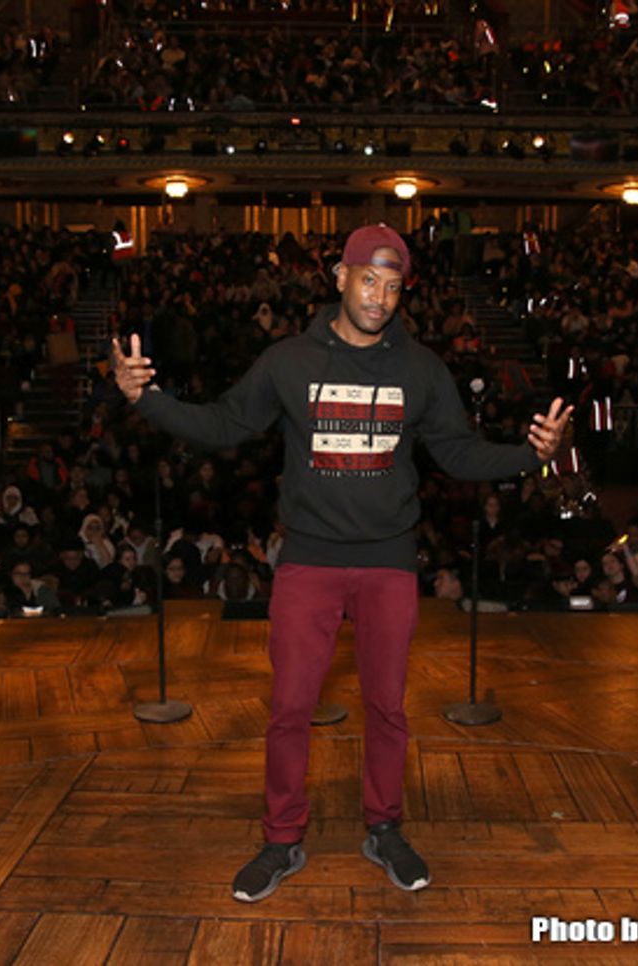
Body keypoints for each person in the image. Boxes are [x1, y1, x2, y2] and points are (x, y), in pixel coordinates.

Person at [111, 224, 572, 903]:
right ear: (339, 276)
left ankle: (384, 828)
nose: (379, 297)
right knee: (290, 709)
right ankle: (280, 839)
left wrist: (531, 454)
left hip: (389, 562)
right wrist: (143, 398)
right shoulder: (289, 360)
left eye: (392, 286)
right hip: (309, 562)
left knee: (387, 708)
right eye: (368, 280)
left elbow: (460, 454)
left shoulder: (421, 369)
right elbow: (222, 424)